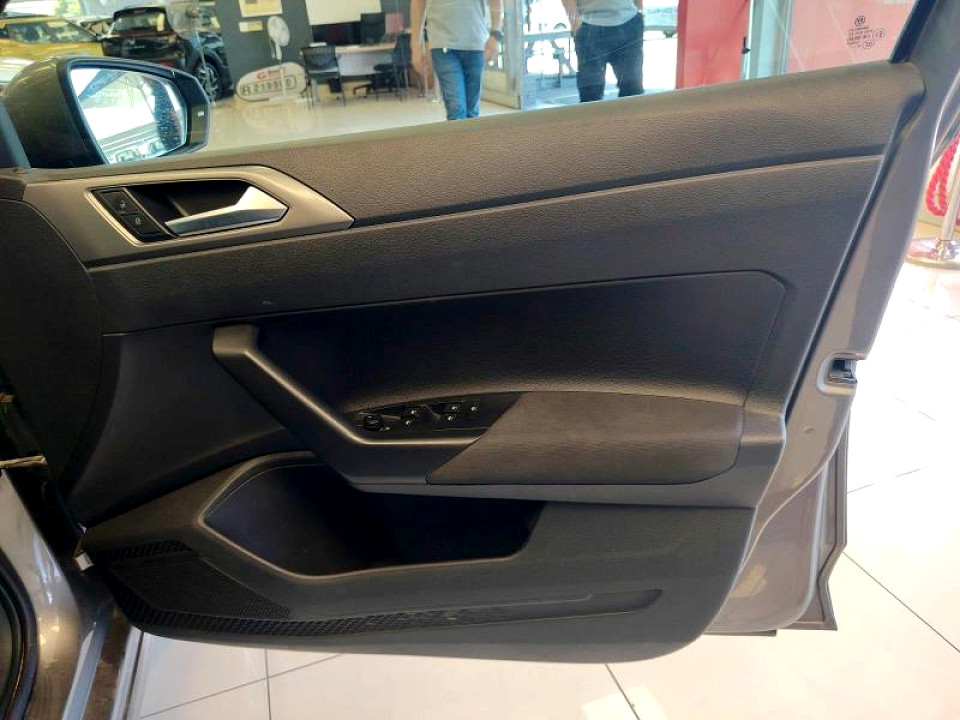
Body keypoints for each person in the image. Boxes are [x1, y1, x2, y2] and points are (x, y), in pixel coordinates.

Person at [410, 0, 504, 121]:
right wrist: (415, 45)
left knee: (472, 111)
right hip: (443, 45)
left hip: (475, 43)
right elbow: (418, 3)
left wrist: (495, 35)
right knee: (456, 107)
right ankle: (460, 133)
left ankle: (469, 134)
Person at [562, 0, 644, 102]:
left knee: (633, 90)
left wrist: (639, 10)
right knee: (591, 93)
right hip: (590, 25)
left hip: (629, 21)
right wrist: (576, 24)